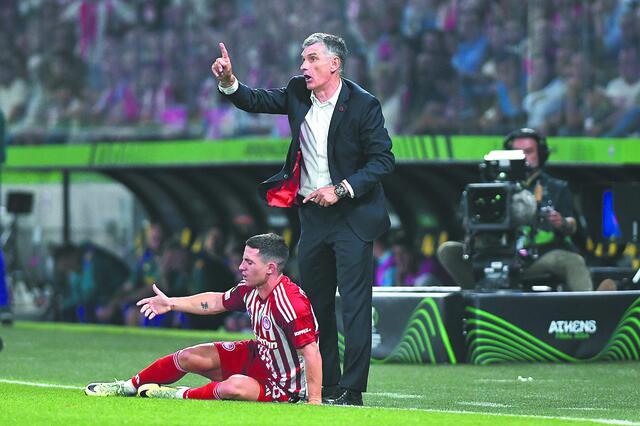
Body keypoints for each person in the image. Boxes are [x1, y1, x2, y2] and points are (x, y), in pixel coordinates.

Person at [211, 33, 395, 406]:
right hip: (312, 215)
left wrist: (341, 189)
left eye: (312, 59)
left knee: (355, 304)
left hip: (353, 215)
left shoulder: (363, 104)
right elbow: (255, 100)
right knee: (314, 305)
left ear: (334, 64)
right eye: (303, 59)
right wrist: (229, 81)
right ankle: (327, 386)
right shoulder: (298, 92)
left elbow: (383, 160)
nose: (303, 66)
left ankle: (352, 391)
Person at [85, 233, 322, 404]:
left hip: (284, 385)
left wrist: (313, 402)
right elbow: (217, 301)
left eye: (249, 262)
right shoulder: (249, 288)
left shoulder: (290, 303)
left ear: (270, 268)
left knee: (234, 386)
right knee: (189, 356)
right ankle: (127, 386)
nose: (241, 267)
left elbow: (311, 352)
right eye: (243, 259)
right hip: (259, 355)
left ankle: (179, 394)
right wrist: (171, 303)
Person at [437, 128, 593, 292]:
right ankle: (477, 297)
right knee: (448, 251)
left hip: (535, 257)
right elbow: (465, 221)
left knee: (572, 261)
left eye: (528, 152)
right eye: (517, 152)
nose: (523, 157)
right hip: (492, 254)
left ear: (541, 154)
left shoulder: (557, 188)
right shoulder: (487, 187)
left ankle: (590, 306)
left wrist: (561, 222)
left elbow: (571, 225)